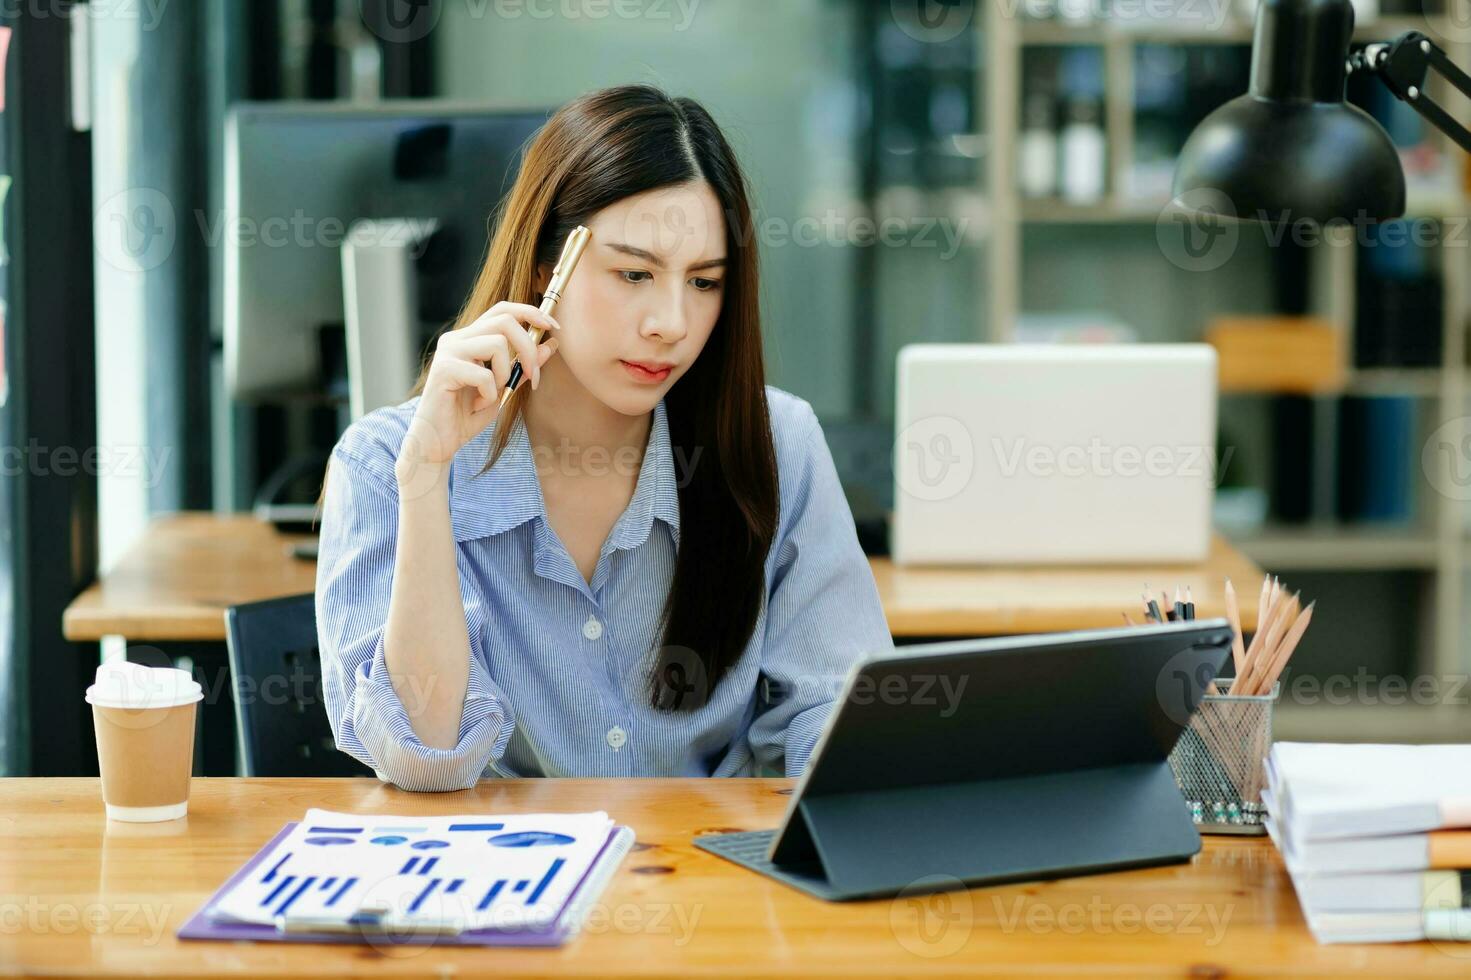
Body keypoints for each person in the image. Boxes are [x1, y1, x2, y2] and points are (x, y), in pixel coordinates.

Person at [316, 84, 891, 791]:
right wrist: (428, 474)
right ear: (541, 270)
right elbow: (423, 757)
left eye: (705, 282)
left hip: (715, 884)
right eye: (634, 274)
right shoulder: (386, 464)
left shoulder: (776, 443)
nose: (670, 322)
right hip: (511, 886)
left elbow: (839, 714)